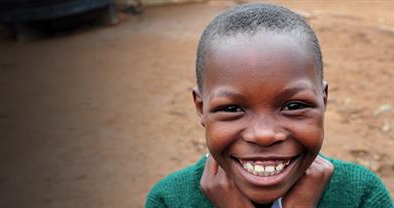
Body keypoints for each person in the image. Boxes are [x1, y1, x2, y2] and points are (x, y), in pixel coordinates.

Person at [145, 3, 393, 208]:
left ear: (323, 100)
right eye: (232, 109)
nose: (264, 135)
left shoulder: (363, 195)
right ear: (201, 108)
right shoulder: (168, 201)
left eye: (294, 105)